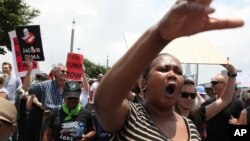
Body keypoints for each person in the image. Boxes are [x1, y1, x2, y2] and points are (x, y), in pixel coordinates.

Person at [94, 0, 244, 140]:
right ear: (144, 83)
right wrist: (159, 36)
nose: (173, 74)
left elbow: (225, 100)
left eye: (178, 72)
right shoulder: (130, 115)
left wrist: (232, 72)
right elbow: (103, 103)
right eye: (164, 69)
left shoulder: (190, 126)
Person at [175, 64, 236, 141]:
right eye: (185, 94)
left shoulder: (198, 114)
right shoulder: (167, 116)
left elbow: (225, 100)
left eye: (193, 95)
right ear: (176, 94)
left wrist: (232, 73)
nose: (189, 98)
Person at [202, 73, 244, 141]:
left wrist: (238, 123)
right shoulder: (207, 103)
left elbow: (242, 129)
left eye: (214, 82)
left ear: (225, 84)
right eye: (211, 83)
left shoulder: (237, 103)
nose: (212, 85)